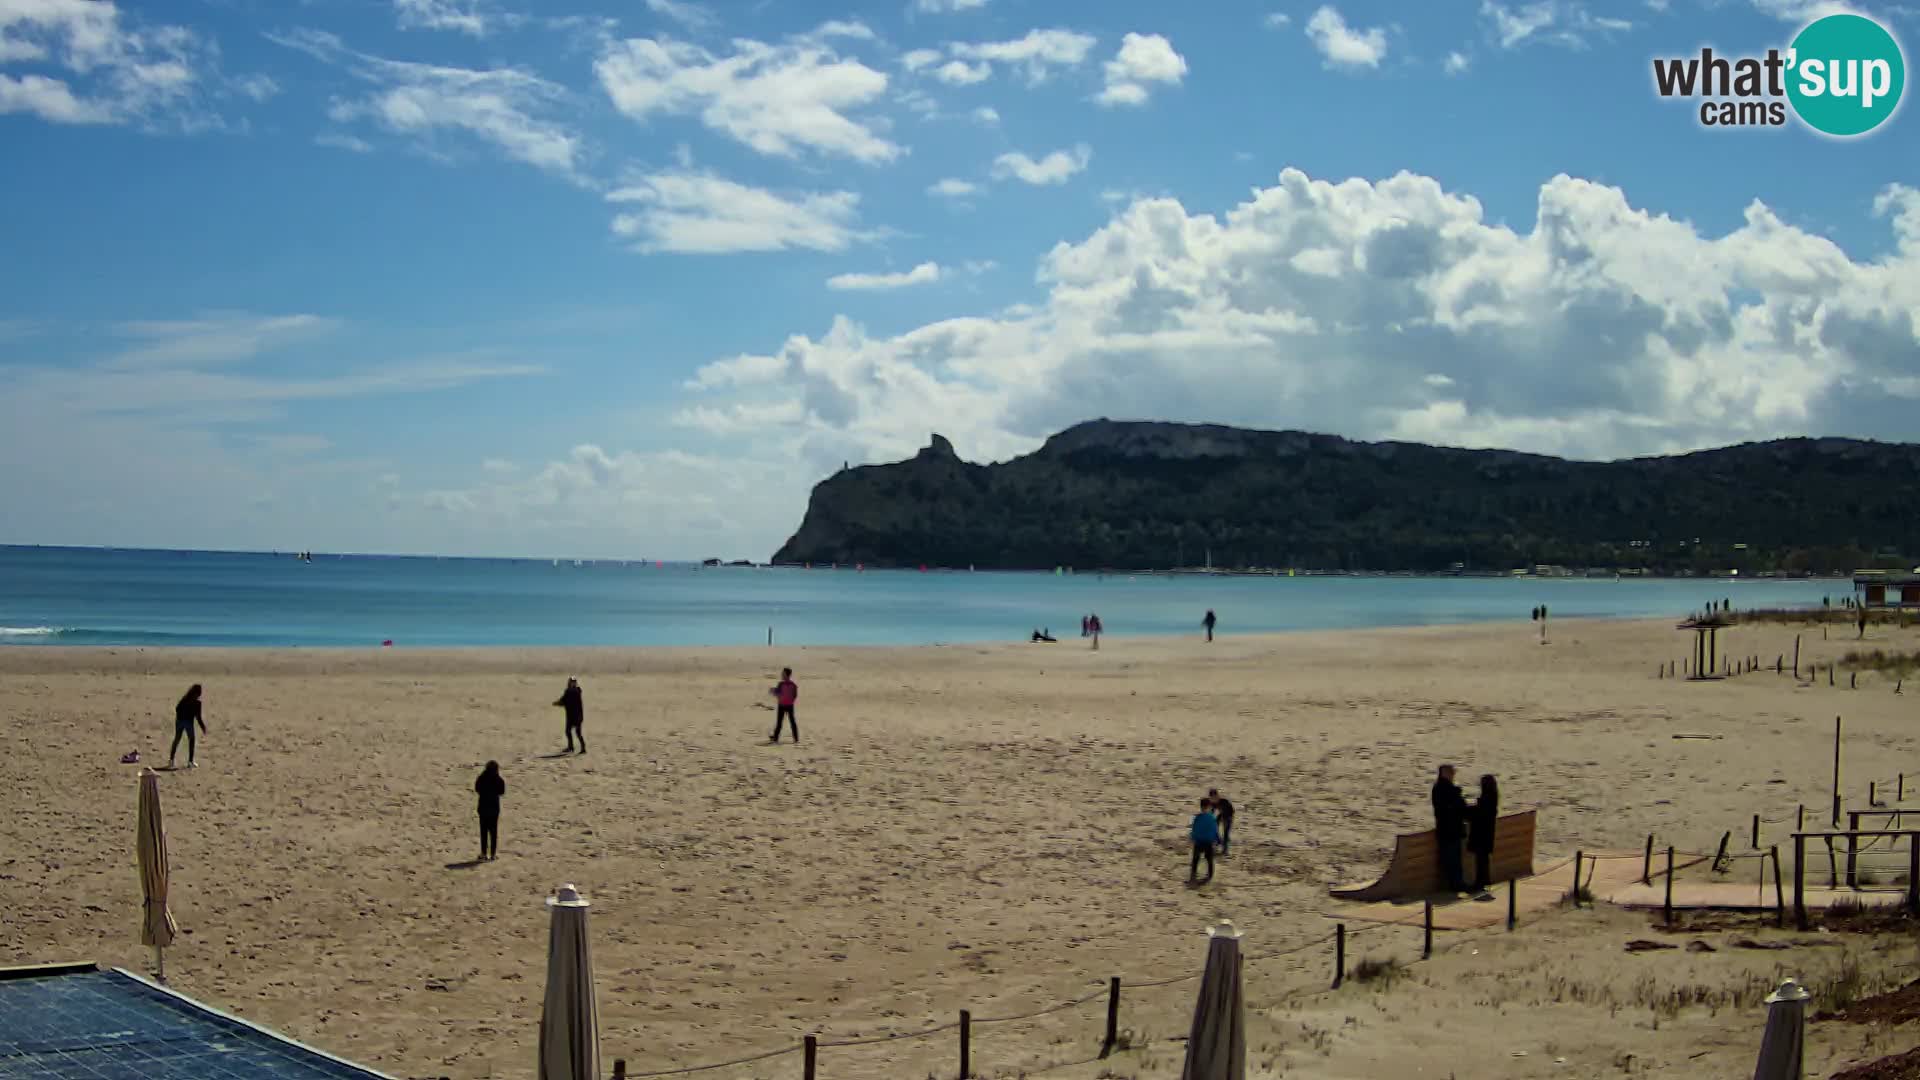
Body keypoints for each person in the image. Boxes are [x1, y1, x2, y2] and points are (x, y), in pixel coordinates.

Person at [1431, 764, 1470, 895]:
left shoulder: (1448, 789)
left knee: (1456, 858)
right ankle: (1455, 884)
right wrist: (1457, 793)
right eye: (1451, 772)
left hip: (1452, 829)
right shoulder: (1442, 789)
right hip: (1448, 829)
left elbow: (1461, 807)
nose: (1453, 775)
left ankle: (1457, 882)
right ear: (1444, 773)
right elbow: (1450, 807)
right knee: (1452, 858)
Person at [1467, 774, 1499, 899]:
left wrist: (1467, 811)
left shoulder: (1486, 799)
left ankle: (1480, 882)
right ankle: (1483, 881)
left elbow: (1478, 813)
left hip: (1481, 833)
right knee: (1483, 859)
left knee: (1481, 859)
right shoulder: (1492, 797)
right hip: (1487, 833)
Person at [169, 684, 206, 769]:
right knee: (191, 740)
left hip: (179, 721)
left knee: (177, 740)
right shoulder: (197, 703)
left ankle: (171, 760)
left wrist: (180, 717)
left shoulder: (185, 699)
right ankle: (190, 761)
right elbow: (198, 717)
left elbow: (177, 708)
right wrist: (203, 727)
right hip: (188, 722)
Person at [475, 761, 506, 861]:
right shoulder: (499, 780)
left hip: (483, 808)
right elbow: (502, 792)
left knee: (483, 832)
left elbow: (477, 789)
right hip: (494, 809)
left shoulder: (481, 778)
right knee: (493, 832)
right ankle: (492, 854)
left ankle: (483, 853)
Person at [1189, 798, 1220, 884]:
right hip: (1208, 842)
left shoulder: (1197, 817)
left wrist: (1192, 838)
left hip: (1199, 842)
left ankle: (1193, 876)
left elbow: (1194, 829)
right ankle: (1209, 877)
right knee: (1209, 860)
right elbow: (1215, 831)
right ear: (1209, 807)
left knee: (1195, 859)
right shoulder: (1212, 818)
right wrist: (1218, 841)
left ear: (1201, 807)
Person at [554, 677, 586, 754]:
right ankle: (571, 747)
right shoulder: (568, 691)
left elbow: (566, 701)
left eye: (574, 682)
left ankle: (583, 748)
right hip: (570, 716)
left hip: (577, 716)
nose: (573, 683)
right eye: (572, 682)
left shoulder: (576, 692)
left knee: (578, 733)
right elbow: (564, 700)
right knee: (568, 731)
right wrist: (558, 703)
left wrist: (559, 703)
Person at [769, 667, 799, 743]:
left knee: (780, 723)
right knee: (791, 722)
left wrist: (773, 691)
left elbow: (777, 693)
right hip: (789, 705)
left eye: (783, 673)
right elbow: (795, 695)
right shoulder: (793, 685)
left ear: (786, 674)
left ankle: (776, 738)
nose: (782, 674)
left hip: (782, 705)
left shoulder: (781, 684)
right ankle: (796, 738)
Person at [1208, 787, 1235, 855]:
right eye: (1212, 798)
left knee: (1225, 833)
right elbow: (1212, 812)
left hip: (1228, 816)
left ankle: (1225, 850)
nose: (1214, 800)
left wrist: (1225, 818)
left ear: (1217, 796)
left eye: (1215, 797)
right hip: (1221, 815)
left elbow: (1231, 811)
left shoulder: (1224, 801)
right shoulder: (1213, 803)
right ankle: (1218, 843)